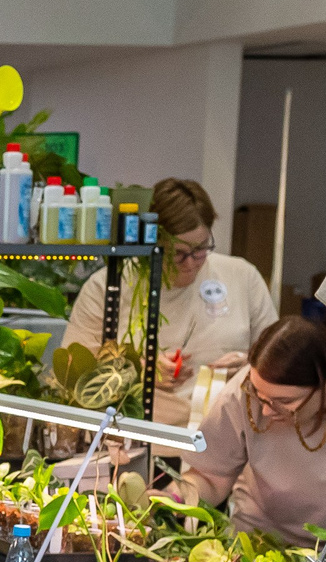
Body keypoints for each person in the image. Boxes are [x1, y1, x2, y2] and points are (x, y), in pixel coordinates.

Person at [61, 177, 274, 426]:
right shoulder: (108, 286)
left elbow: (281, 360)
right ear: (154, 241)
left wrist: (249, 365)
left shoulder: (242, 276)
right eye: (178, 253)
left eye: (201, 249)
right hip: (139, 438)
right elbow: (71, 371)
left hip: (225, 438)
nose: (191, 262)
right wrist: (139, 371)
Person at [168, 316, 326, 547]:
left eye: (283, 401)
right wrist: (174, 498)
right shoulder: (244, 392)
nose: (267, 411)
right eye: (259, 397)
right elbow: (211, 477)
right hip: (258, 545)